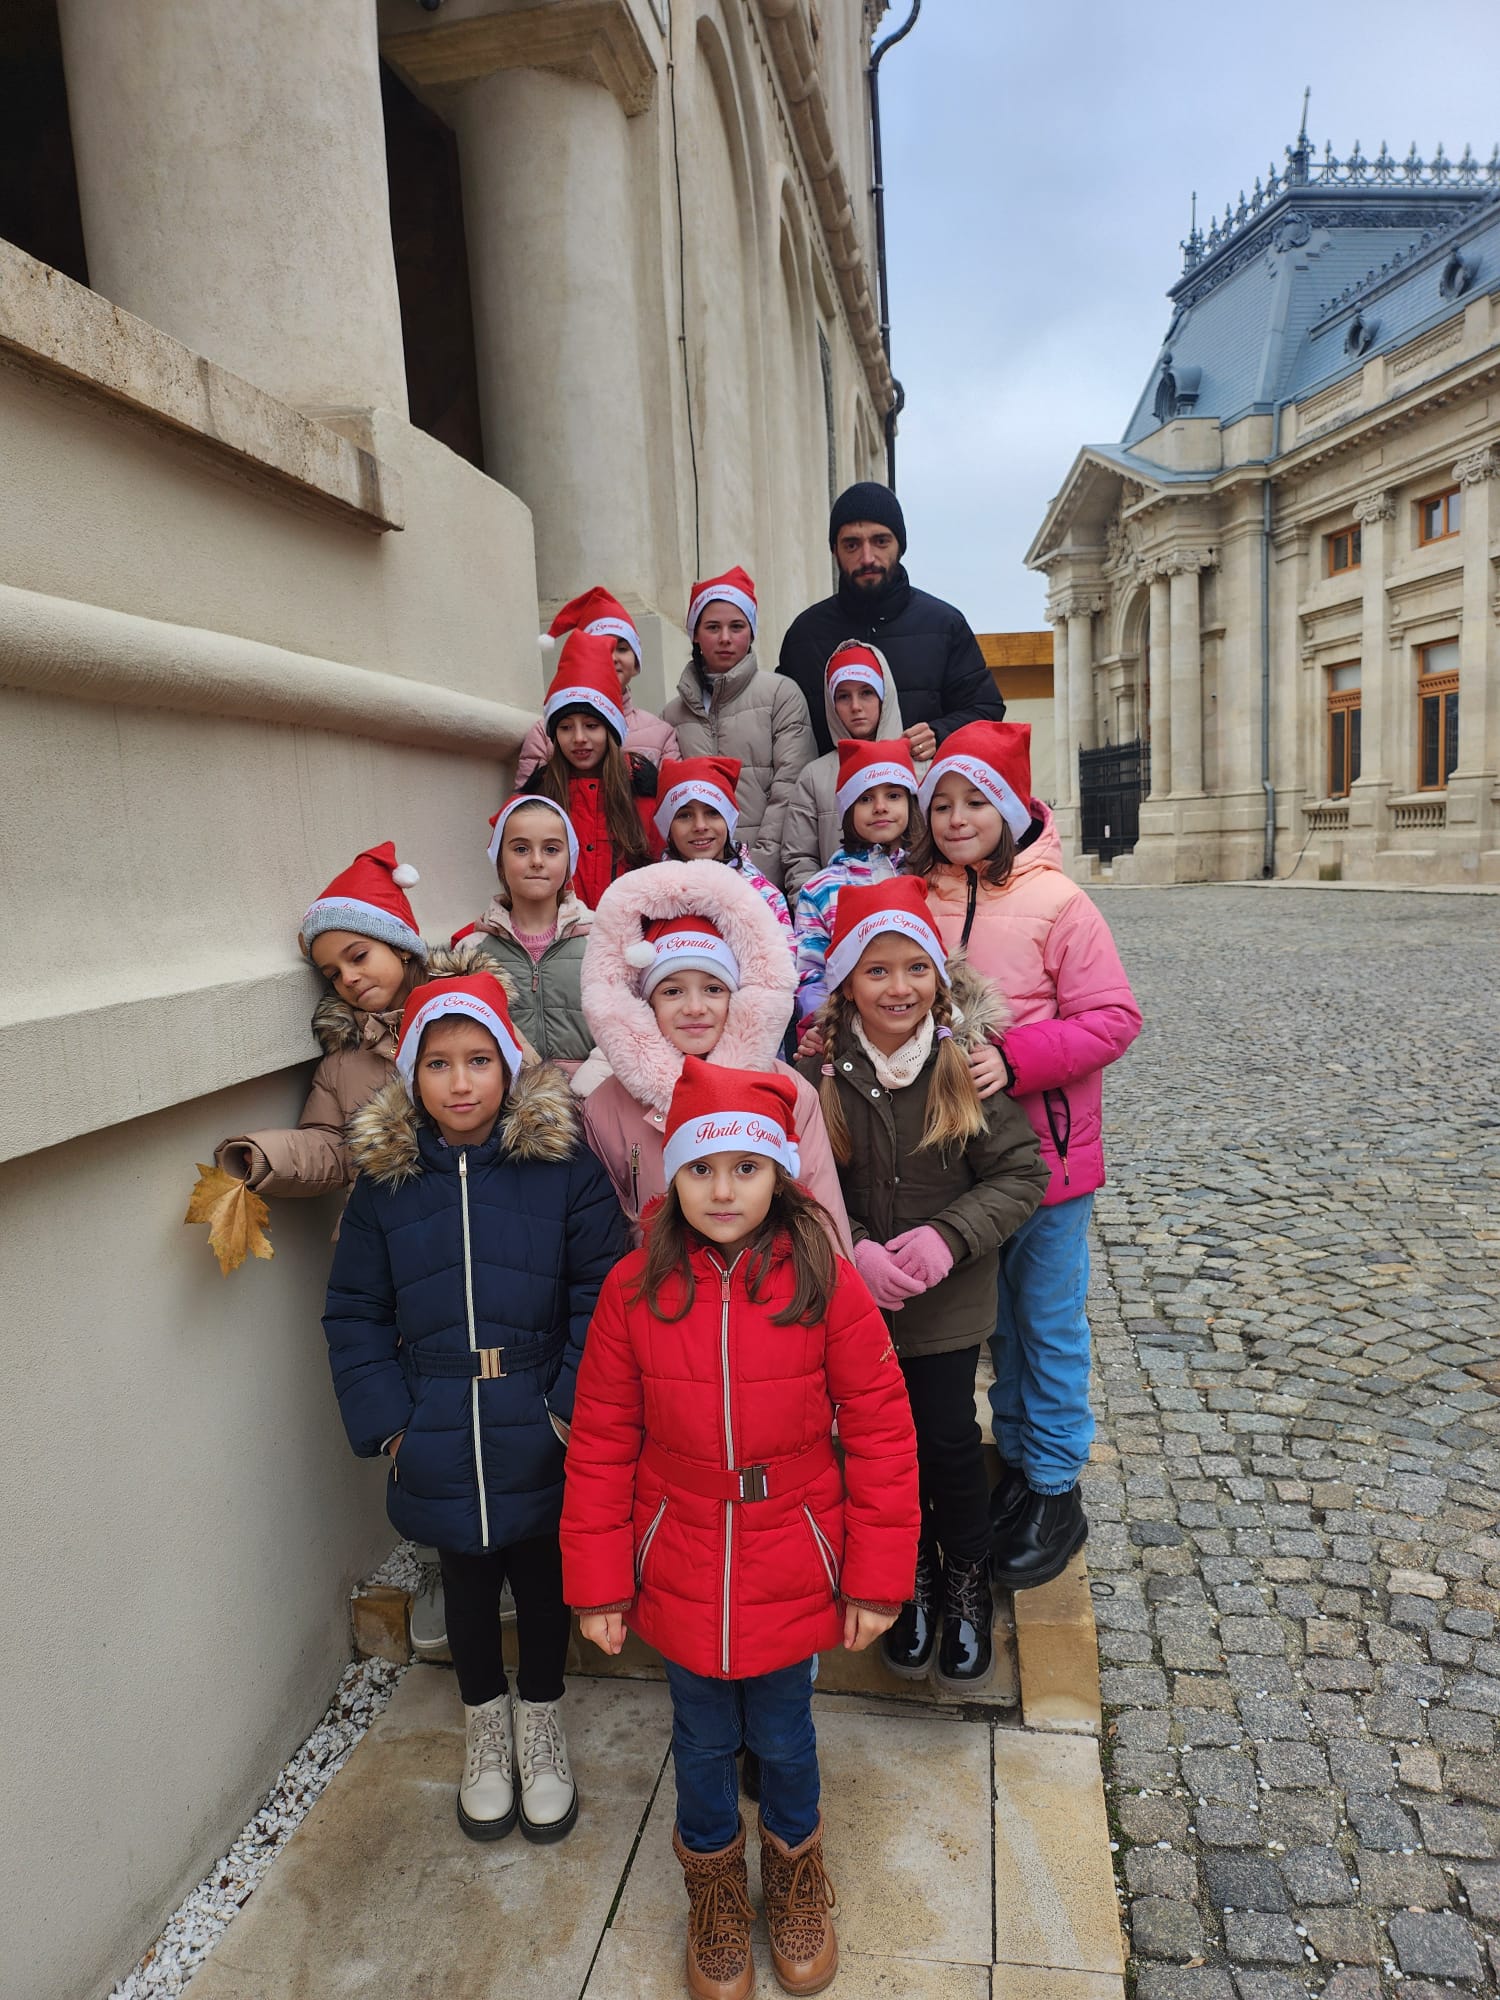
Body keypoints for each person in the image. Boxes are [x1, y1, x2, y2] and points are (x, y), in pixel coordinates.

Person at [561, 1059, 920, 2000]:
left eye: (746, 1169)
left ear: (780, 1174)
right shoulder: (633, 1288)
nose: (723, 1191)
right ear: (673, 1174)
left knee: (786, 1736)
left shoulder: (825, 1280)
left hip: (791, 1552)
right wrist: (599, 1581)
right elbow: (601, 1440)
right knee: (701, 1739)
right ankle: (715, 1893)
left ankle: (796, 1880)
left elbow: (882, 1432)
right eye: (701, 1170)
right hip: (680, 1552)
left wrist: (876, 1575)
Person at [323, 972, 628, 1842]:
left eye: (479, 1060)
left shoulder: (561, 1168)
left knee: (542, 1574)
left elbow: (602, 1293)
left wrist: (566, 1410)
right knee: (463, 1574)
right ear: (412, 1074)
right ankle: (485, 1725)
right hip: (438, 1415)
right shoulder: (387, 1183)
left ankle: (541, 1718)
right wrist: (394, 1425)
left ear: (508, 1065)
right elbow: (355, 1310)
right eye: (439, 1063)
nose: (460, 1082)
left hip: (537, 1412)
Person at [800, 879, 1047, 1688]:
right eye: (876, 971)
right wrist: (855, 1249)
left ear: (938, 980)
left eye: (914, 969)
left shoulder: (959, 1066)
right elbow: (801, 1183)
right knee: (876, 1448)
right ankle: (905, 1576)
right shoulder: (818, 1074)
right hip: (857, 1305)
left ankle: (965, 1577)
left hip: (946, 1307)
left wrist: (950, 1237)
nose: (897, 988)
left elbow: (1020, 1174)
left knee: (946, 1441)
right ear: (847, 984)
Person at [911, 721, 1142, 1589]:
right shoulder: (920, 897)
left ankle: (1054, 1487)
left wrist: (1015, 1059)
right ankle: (1013, 1461)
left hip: (1049, 1160)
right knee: (992, 1325)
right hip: (959, 1165)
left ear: (1009, 809)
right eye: (942, 802)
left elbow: (1113, 1018)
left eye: (975, 801)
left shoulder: (1060, 902)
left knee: (1046, 1323)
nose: (956, 817)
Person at [573, 858, 852, 1251]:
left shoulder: (789, 1092)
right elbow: (601, 1239)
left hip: (770, 1283)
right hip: (657, 1283)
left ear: (738, 997)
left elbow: (821, 1218)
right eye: (672, 991)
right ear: (645, 1003)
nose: (694, 1008)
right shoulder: (607, 1108)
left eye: (713, 989)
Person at [211, 842, 427, 1199]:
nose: (349, 978)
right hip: (379, 1227)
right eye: (333, 974)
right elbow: (332, 1146)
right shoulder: (340, 1063)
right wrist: (266, 1156)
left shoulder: (468, 1018)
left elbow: (521, 1105)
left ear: (401, 946)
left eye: (358, 956)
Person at [777, 482, 1004, 760]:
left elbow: (986, 710)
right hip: (827, 788)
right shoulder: (804, 636)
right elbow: (782, 727)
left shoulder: (945, 626)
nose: (867, 557)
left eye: (880, 541)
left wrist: (939, 734)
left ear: (900, 545)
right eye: (852, 545)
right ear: (834, 550)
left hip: (923, 787)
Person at [662, 567, 816, 888]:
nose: (725, 638)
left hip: (764, 880)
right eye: (712, 627)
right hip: (695, 882)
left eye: (737, 626)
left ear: (752, 632)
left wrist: (754, 872)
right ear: (695, 634)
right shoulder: (672, 714)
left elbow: (789, 789)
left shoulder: (780, 695)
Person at [517, 628, 658, 909]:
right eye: (566, 727)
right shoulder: (541, 793)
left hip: (630, 926)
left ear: (610, 731)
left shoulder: (641, 787)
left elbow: (660, 863)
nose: (579, 738)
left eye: (592, 726)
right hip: (560, 927)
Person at [453, 795, 593, 1073]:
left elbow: (625, 1028)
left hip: (593, 1093)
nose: (537, 861)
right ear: (500, 861)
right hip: (510, 1096)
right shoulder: (470, 951)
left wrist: (591, 1086)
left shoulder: (601, 940)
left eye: (551, 849)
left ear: (569, 859)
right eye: (521, 849)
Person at [794, 737, 923, 1023]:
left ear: (911, 802)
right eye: (865, 798)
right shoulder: (820, 889)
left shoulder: (932, 875)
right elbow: (810, 973)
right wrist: (830, 1024)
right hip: (847, 1030)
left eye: (893, 795)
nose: (880, 807)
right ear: (847, 809)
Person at [781, 640, 911, 898]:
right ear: (831, 704)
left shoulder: (917, 764)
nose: (855, 706)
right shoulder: (814, 775)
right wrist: (820, 908)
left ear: (884, 694)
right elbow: (799, 858)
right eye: (843, 696)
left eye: (867, 692)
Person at [516, 586, 680, 775]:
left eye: (622, 649)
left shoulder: (661, 733)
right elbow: (527, 793)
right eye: (600, 647)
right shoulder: (543, 734)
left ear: (636, 663)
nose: (612, 658)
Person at [654, 753, 792, 938]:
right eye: (684, 815)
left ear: (729, 820)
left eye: (712, 812)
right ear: (667, 827)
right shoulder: (649, 893)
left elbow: (783, 953)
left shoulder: (763, 896)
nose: (700, 826)